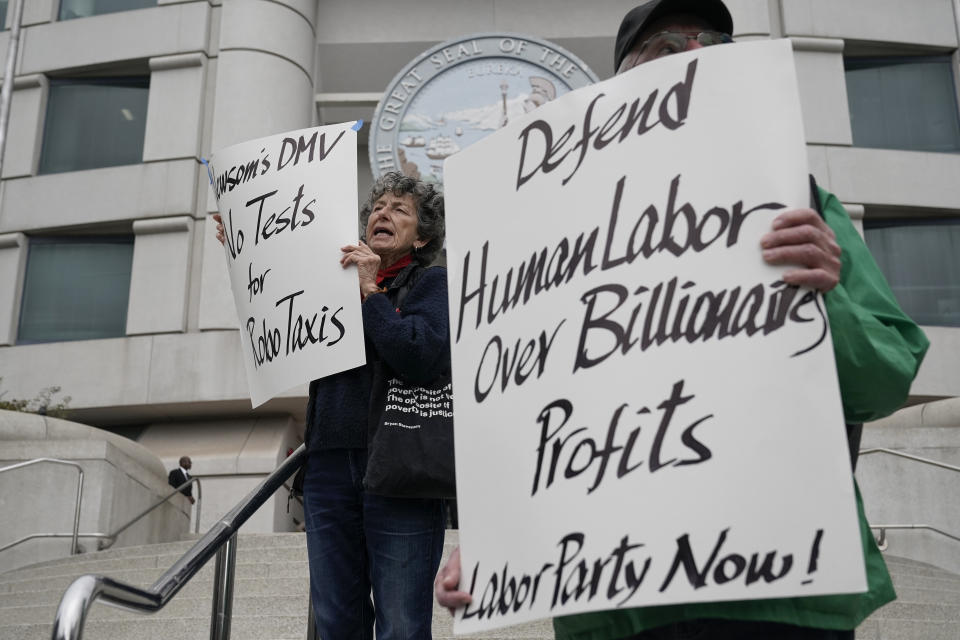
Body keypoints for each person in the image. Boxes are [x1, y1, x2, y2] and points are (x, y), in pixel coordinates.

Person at [434, 1, 930, 639]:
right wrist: (498, 542)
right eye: (668, 46)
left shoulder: (797, 199)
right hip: (615, 605)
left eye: (714, 41)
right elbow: (521, 406)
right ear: (620, 86)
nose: (697, 54)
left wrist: (827, 291)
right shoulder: (543, 232)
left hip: (781, 593)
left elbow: (883, 384)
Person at [215, 171, 449, 640]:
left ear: (421, 237)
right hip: (327, 469)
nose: (383, 213)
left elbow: (420, 354)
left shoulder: (431, 283)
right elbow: (277, 291)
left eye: (399, 209)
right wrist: (246, 246)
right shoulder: (330, 279)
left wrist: (371, 292)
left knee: (402, 625)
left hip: (401, 469)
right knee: (336, 621)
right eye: (378, 207)